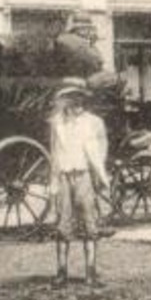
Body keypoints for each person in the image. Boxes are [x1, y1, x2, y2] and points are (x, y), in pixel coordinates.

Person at [47, 80, 110, 286]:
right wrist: (53, 181)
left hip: (83, 175)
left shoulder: (93, 122)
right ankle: (61, 271)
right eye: (71, 98)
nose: (76, 103)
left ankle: (90, 272)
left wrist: (100, 176)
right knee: (62, 222)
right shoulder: (57, 123)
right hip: (64, 175)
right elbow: (54, 153)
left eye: (79, 98)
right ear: (64, 101)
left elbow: (100, 150)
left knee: (89, 221)